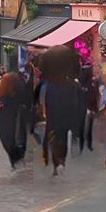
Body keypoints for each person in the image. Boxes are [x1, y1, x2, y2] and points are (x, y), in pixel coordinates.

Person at [36, 45, 81, 176]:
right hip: (68, 89)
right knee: (64, 130)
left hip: (53, 89)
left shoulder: (46, 57)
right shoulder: (70, 56)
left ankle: (56, 161)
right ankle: (62, 161)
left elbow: (42, 71)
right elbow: (77, 70)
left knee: (53, 129)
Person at [0, 69, 29, 171]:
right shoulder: (19, 93)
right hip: (15, 122)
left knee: (10, 143)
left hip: (5, 124)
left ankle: (15, 164)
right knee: (18, 141)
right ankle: (17, 163)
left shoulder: (1, 95)